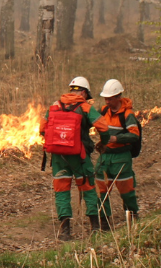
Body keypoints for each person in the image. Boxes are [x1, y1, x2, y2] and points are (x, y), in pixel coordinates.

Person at [40, 77, 104, 241]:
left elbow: (42, 129)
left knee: (61, 192)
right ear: (83, 92)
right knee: (88, 188)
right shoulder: (85, 107)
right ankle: (95, 228)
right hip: (79, 157)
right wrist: (104, 141)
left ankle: (65, 231)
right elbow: (104, 127)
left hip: (58, 158)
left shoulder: (54, 106)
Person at [94, 79, 141, 230]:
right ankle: (105, 224)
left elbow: (135, 136)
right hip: (105, 156)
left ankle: (132, 216)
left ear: (118, 96)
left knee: (127, 191)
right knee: (100, 190)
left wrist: (116, 138)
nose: (107, 101)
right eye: (105, 98)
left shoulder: (128, 115)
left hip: (122, 157)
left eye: (110, 98)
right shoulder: (103, 111)